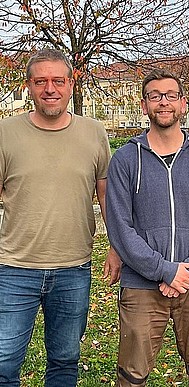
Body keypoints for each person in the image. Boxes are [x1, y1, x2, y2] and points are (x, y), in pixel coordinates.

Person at [0, 48, 120, 387]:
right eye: (41, 82)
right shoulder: (5, 133)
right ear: (29, 86)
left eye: (58, 80)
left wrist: (116, 246)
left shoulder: (94, 132)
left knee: (65, 361)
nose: (50, 89)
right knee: (4, 363)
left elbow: (105, 193)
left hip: (73, 269)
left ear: (71, 84)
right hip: (14, 269)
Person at [106, 68, 189, 387]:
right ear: (144, 105)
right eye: (155, 96)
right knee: (132, 376)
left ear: (183, 103)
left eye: (171, 95)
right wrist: (163, 270)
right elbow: (120, 227)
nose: (164, 102)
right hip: (142, 286)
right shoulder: (125, 159)